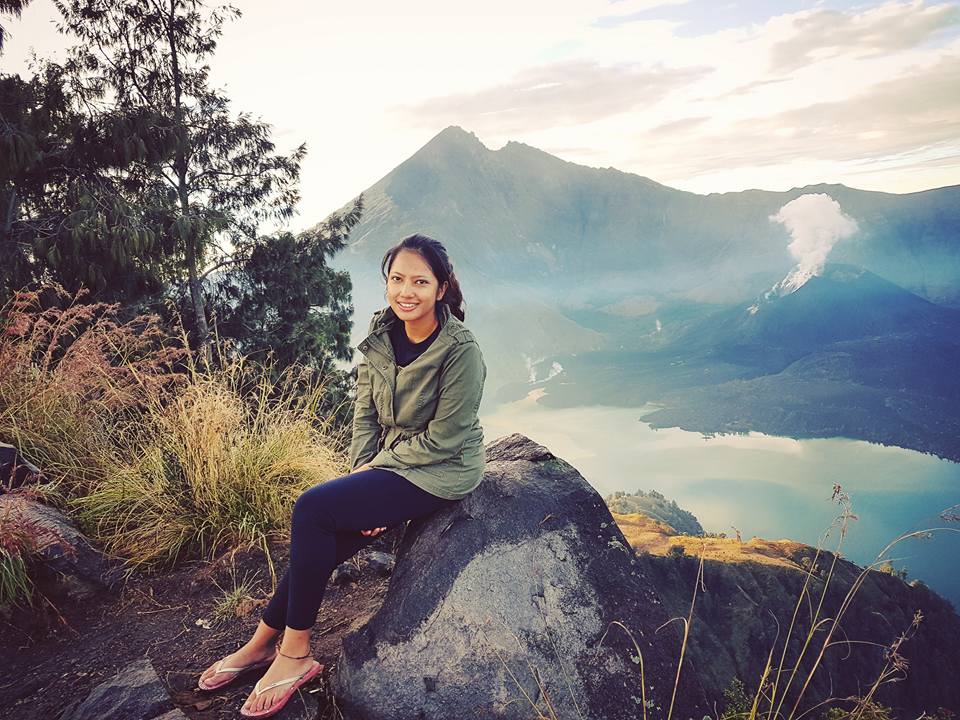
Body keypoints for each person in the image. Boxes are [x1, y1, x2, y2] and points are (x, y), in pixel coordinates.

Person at [196, 234, 487, 718]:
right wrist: (361, 479)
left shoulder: (461, 351)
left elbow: (446, 440)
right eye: (397, 279)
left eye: (420, 281)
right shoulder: (383, 331)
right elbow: (364, 412)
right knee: (323, 538)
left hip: (443, 470)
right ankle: (262, 644)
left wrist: (377, 475)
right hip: (390, 465)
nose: (406, 291)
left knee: (312, 508)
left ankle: (295, 654)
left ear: (441, 288)